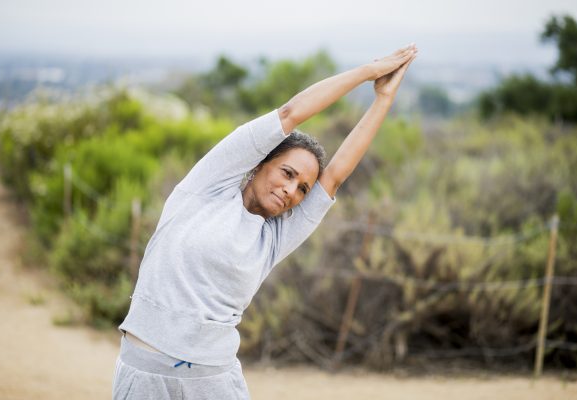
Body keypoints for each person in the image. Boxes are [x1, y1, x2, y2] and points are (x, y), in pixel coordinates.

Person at [112, 44, 418, 400]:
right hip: (145, 374)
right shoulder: (206, 189)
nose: (291, 190)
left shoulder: (274, 237)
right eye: (287, 173)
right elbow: (289, 113)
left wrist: (383, 99)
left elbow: (334, 176)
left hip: (214, 381)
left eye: (302, 188)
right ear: (258, 165)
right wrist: (369, 71)